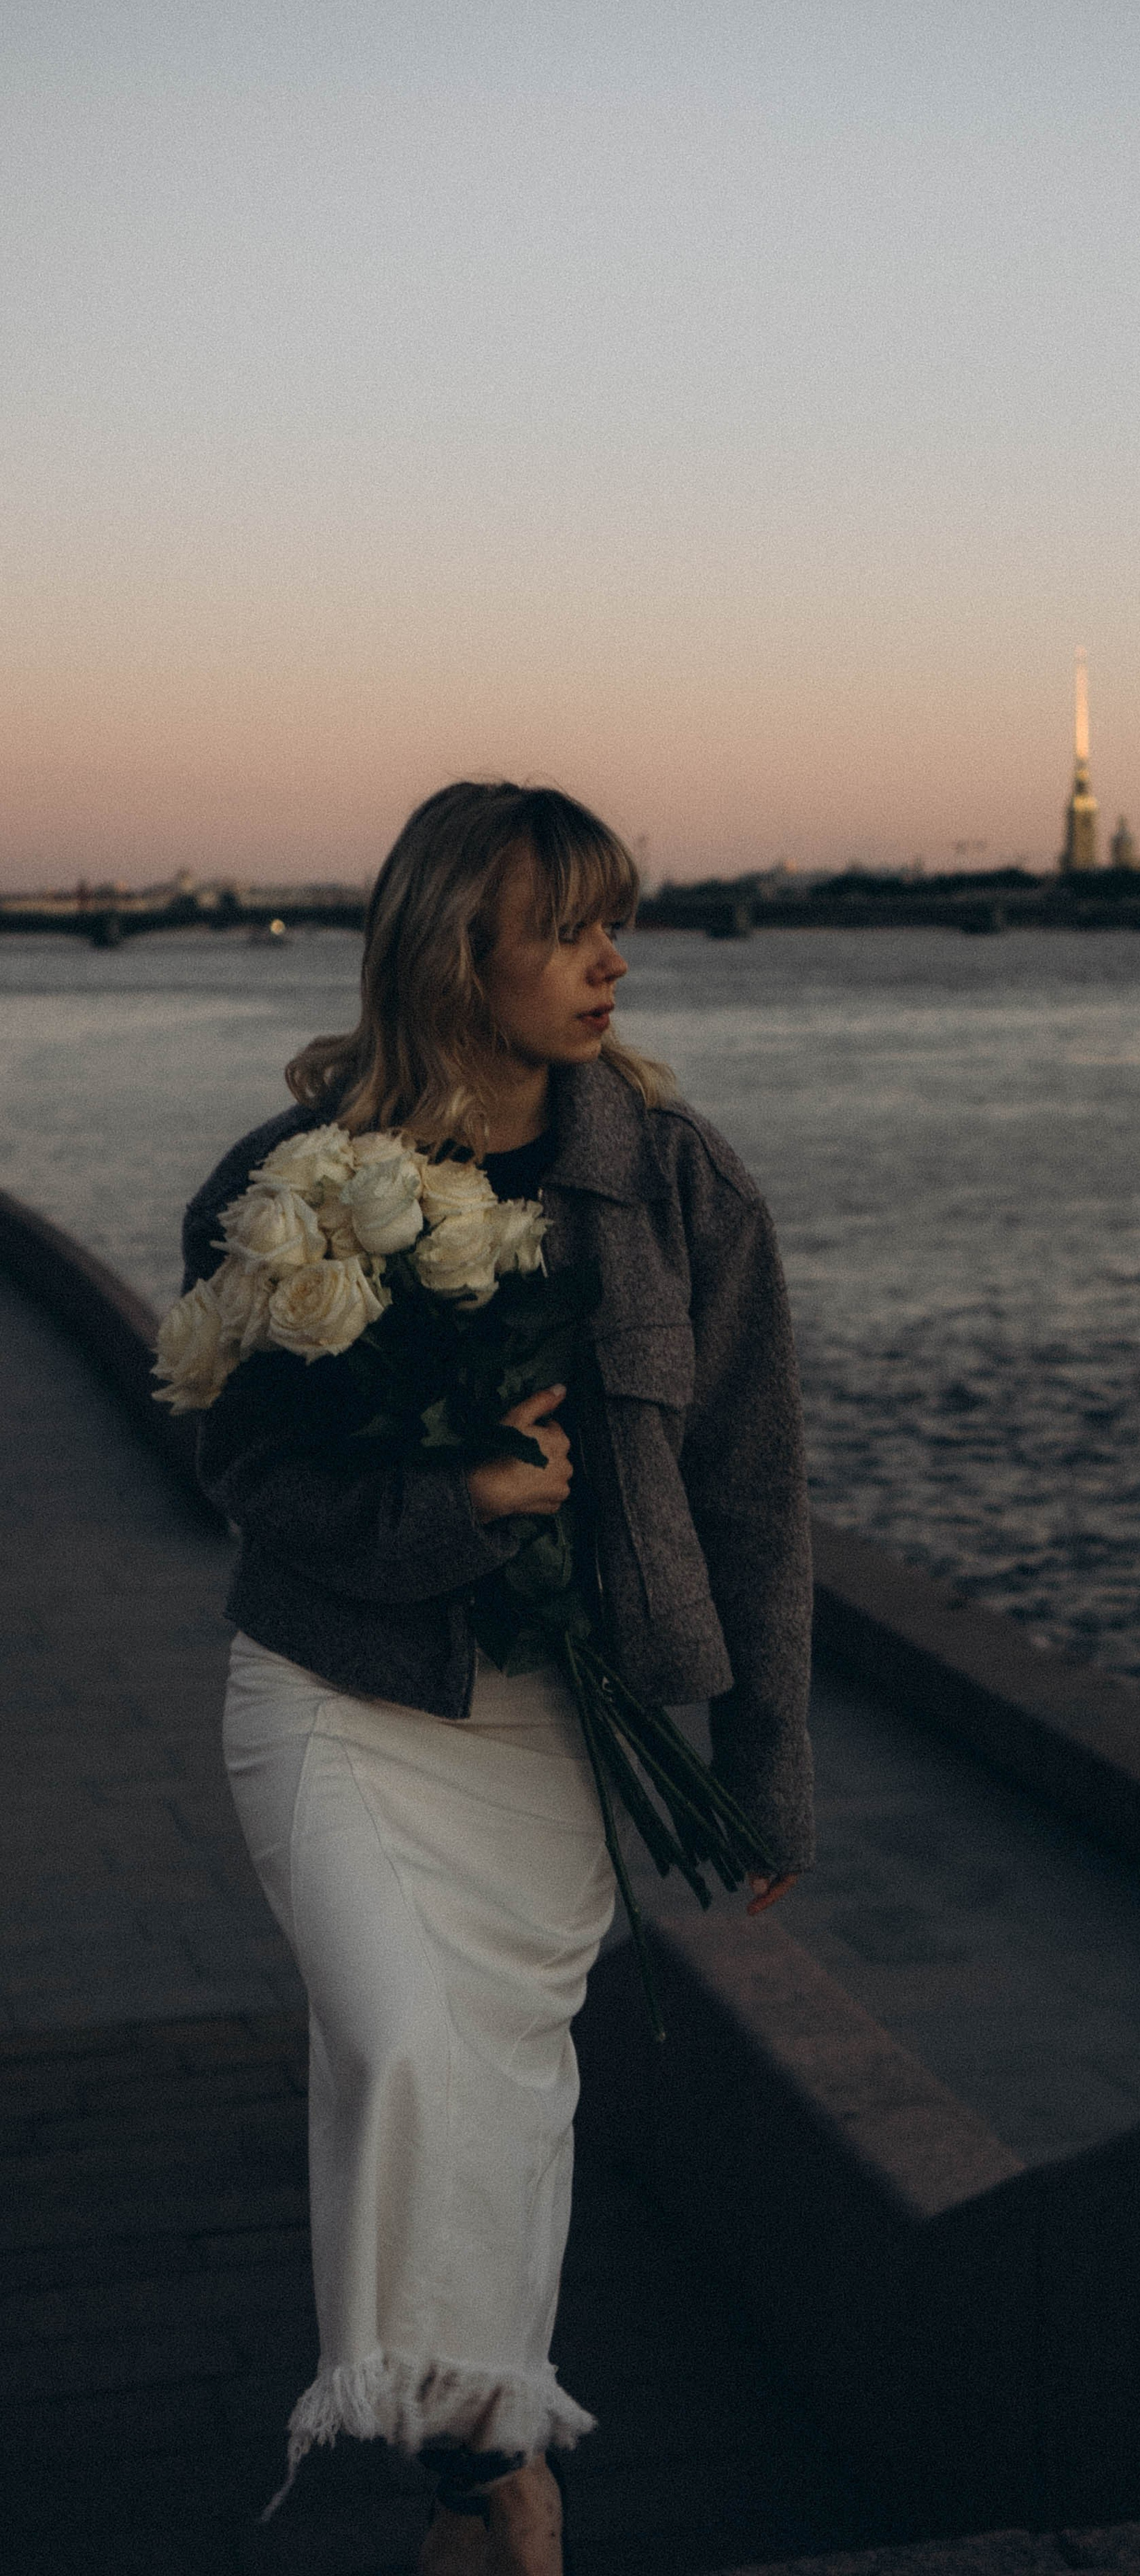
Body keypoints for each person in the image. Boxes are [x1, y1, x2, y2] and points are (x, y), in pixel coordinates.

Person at [183, 781, 814, 2576]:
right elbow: (243, 1478)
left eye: (620, 920)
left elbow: (757, 1493)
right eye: (569, 926)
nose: (616, 959)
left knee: (512, 2093)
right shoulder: (280, 1193)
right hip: (340, 1692)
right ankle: (489, 2466)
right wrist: (451, 1505)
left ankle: (485, 2469)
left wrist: (768, 1761)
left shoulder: (683, 1187)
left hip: (554, 1728)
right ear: (458, 949)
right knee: (396, 2044)